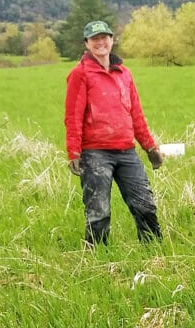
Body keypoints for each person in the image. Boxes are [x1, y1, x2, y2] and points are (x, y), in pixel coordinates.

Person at [65, 20, 164, 244]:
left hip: (126, 151)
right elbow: (73, 116)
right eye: (95, 39)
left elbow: (136, 114)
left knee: (144, 205)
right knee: (99, 210)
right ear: (87, 43)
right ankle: (98, 257)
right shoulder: (80, 74)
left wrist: (150, 147)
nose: (101, 42)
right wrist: (74, 151)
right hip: (95, 152)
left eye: (104, 37)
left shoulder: (124, 74)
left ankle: (154, 252)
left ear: (112, 40)